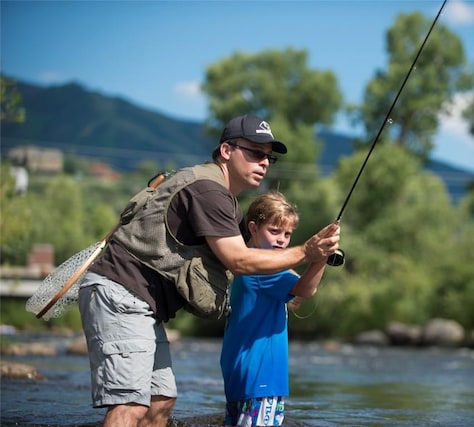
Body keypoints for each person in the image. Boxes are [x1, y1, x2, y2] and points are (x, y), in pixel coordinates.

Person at [77, 114, 340, 427]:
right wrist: (307, 252)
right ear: (226, 151)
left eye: (268, 157)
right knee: (132, 406)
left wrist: (318, 257)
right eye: (255, 153)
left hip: (143, 303)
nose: (264, 162)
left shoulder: (228, 203)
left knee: (159, 403)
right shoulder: (209, 191)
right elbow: (241, 261)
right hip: (121, 291)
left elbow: (259, 260)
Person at [220, 191, 327, 427]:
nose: (282, 240)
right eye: (274, 231)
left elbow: (298, 289)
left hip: (240, 376)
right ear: (253, 228)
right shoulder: (265, 270)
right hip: (262, 378)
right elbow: (306, 290)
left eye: (287, 234)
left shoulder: (248, 266)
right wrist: (320, 258)